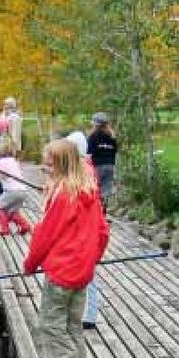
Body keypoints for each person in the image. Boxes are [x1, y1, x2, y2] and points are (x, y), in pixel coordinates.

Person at [24, 137, 109, 358]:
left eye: (49, 165)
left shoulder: (63, 195)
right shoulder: (88, 190)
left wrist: (30, 264)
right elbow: (103, 232)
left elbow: (45, 234)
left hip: (62, 271)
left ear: (61, 165)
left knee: (50, 324)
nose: (45, 169)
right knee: (72, 324)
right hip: (82, 272)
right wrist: (91, 258)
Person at [65, 128, 100, 330]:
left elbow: (81, 198)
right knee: (88, 274)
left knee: (90, 275)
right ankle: (87, 314)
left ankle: (90, 315)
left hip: (84, 233)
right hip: (87, 232)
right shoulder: (84, 166)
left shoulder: (83, 169)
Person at [0, 135, 32, 235]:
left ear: (0, 151)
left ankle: (4, 229)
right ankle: (25, 226)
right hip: (23, 191)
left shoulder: (2, 161)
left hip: (12, 191)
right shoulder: (14, 161)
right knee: (12, 211)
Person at [86, 112, 118, 210]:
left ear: (95, 124)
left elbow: (89, 152)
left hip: (97, 166)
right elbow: (115, 151)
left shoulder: (93, 136)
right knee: (105, 190)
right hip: (110, 166)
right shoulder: (112, 136)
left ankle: (97, 214)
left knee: (96, 190)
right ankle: (103, 212)